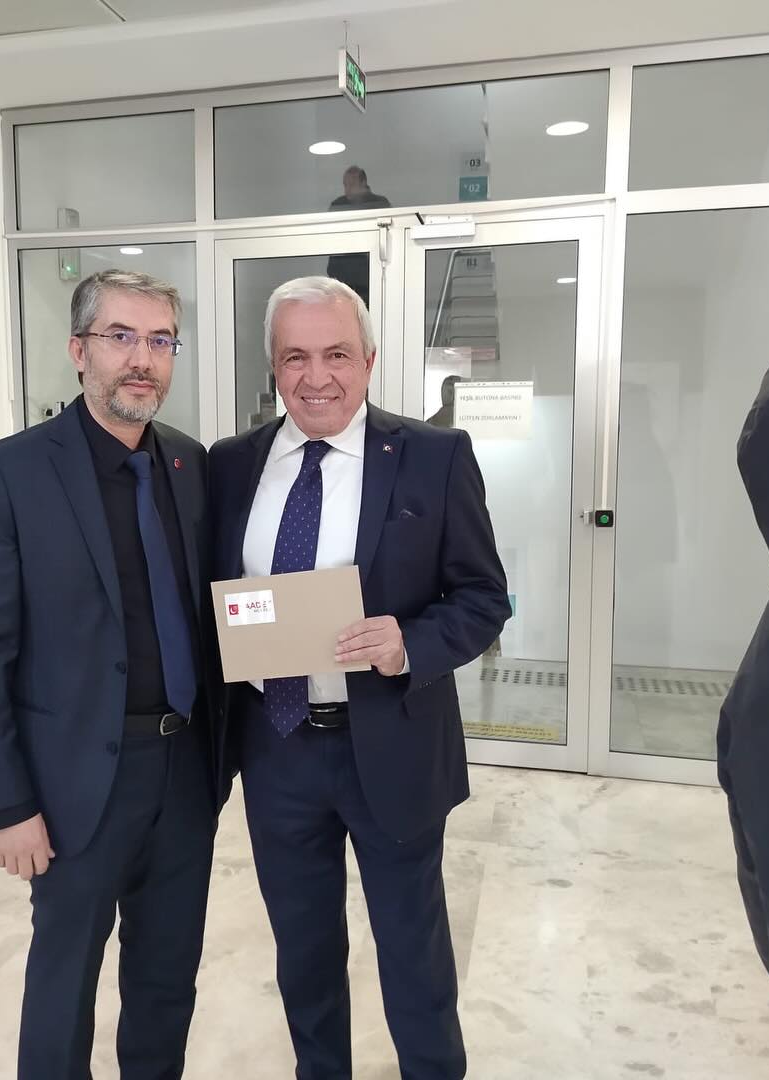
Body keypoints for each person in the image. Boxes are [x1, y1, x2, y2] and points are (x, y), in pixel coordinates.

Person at [209, 276, 510, 1079]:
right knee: (303, 950)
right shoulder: (231, 466)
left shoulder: (434, 457)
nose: (317, 377)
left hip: (392, 743)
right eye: (295, 357)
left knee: (413, 950)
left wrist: (409, 643)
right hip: (277, 747)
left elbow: (485, 598)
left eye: (337, 354)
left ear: (369, 361)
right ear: (273, 367)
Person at [0, 269, 225, 1079]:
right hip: (74, 780)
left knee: (168, 974)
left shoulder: (189, 464)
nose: (142, 359)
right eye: (121, 337)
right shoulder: (11, 472)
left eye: (160, 341)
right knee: (65, 978)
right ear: (78, 351)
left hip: (185, 770)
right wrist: (7, 805)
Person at [326, 167, 391, 307]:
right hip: (342, 277)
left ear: (363, 183)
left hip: (371, 277)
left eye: (351, 184)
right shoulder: (338, 206)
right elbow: (332, 239)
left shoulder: (379, 204)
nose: (347, 189)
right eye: (345, 185)